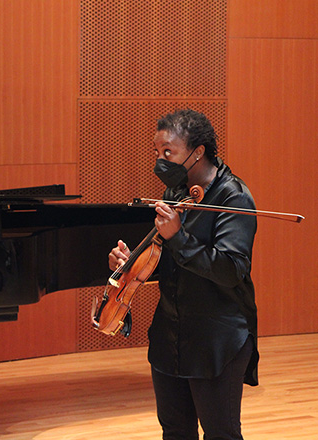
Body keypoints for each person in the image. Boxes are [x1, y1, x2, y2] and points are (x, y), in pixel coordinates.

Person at [108, 109, 258, 440]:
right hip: (171, 334)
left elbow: (231, 269)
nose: (161, 160)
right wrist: (131, 263)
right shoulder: (176, 193)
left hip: (217, 337)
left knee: (221, 433)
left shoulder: (234, 197)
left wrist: (179, 237)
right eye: (157, 152)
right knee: (175, 431)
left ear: (197, 151)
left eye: (168, 152)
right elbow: (168, 260)